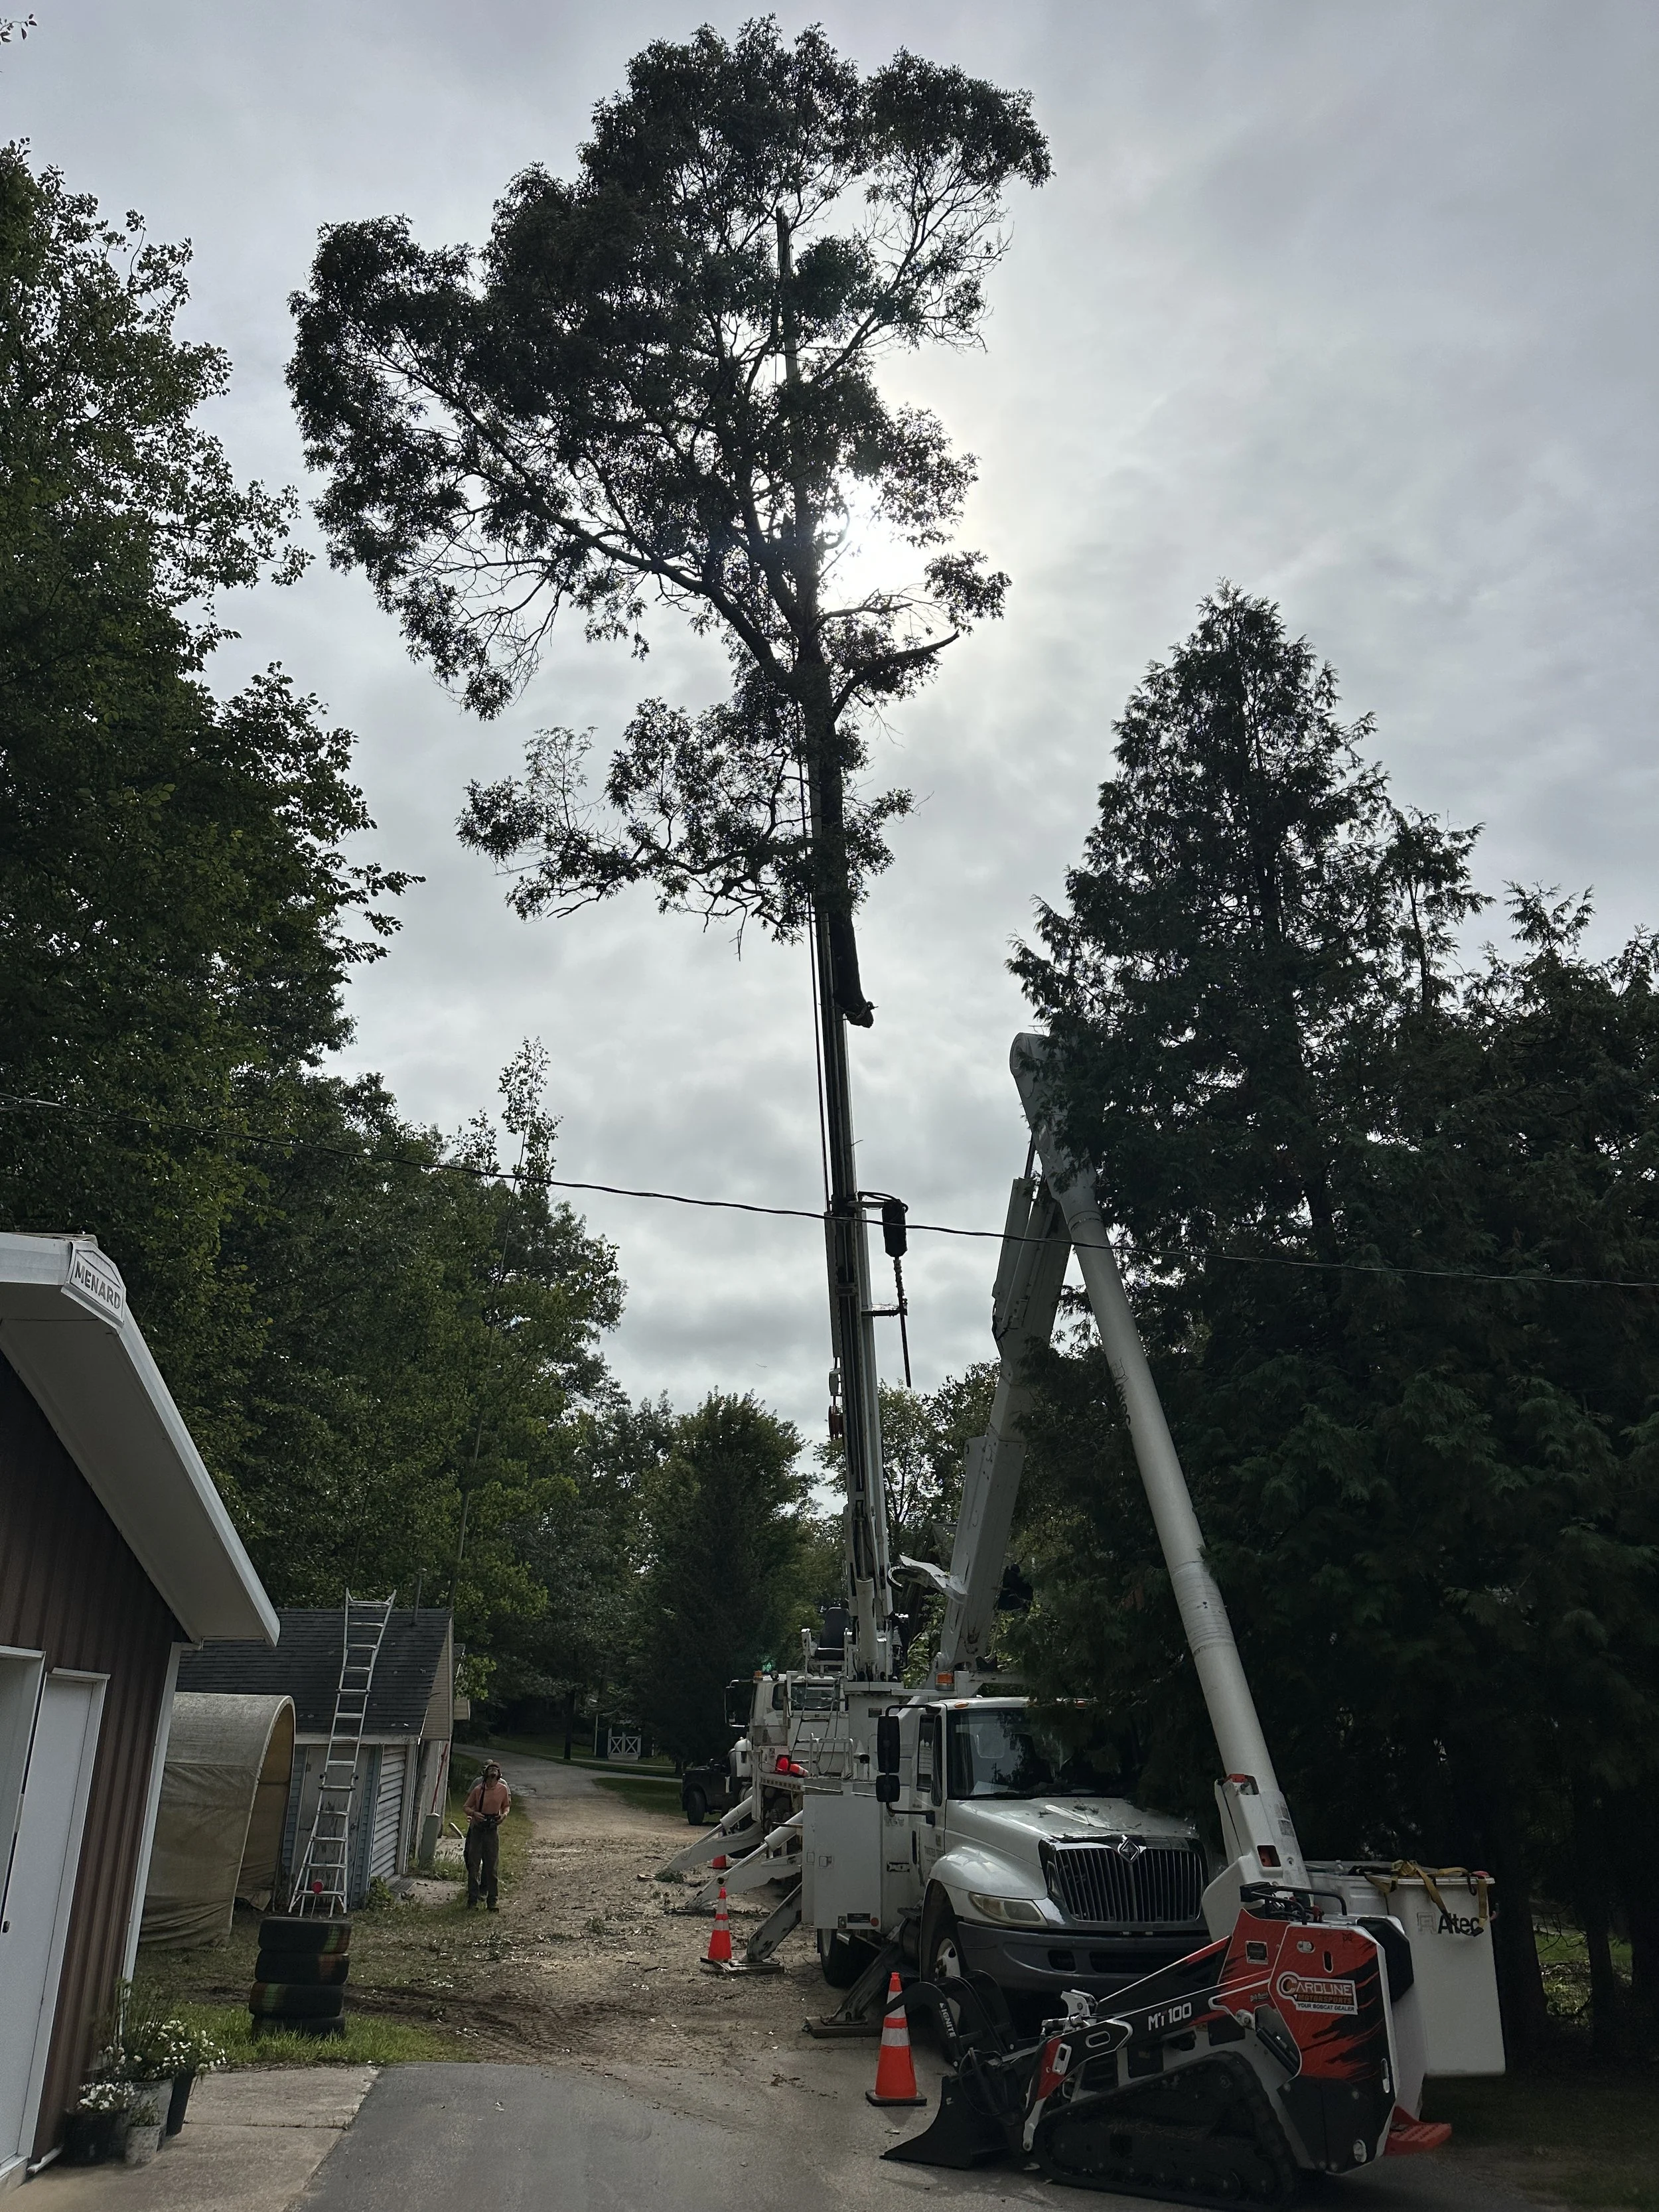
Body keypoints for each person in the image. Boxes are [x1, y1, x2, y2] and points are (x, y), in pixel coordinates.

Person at [463, 1759, 510, 1911]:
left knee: (492, 1867)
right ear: (485, 1774)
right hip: (477, 1829)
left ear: (499, 1775)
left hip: (492, 1829)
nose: (493, 1772)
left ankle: (492, 1901)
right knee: (473, 1865)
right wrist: (474, 1814)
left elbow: (506, 1805)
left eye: (496, 1770)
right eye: (491, 1770)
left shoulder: (502, 1789)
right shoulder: (478, 1789)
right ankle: (472, 1900)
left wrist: (503, 1815)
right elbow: (466, 1806)